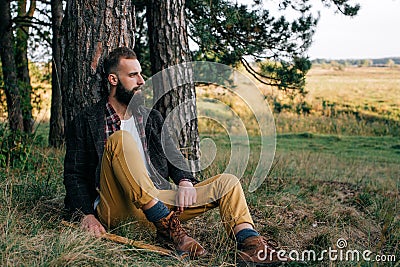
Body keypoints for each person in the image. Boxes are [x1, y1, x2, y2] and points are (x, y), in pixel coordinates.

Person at [63, 47, 288, 265]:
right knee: (120, 140)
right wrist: (86, 215)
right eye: (133, 75)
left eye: (141, 74)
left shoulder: (151, 118)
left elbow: (175, 160)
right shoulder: (87, 120)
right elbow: (74, 175)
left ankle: (251, 245)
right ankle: (170, 229)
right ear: (113, 80)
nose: (142, 81)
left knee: (227, 183)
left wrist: (185, 180)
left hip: (160, 203)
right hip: (118, 208)